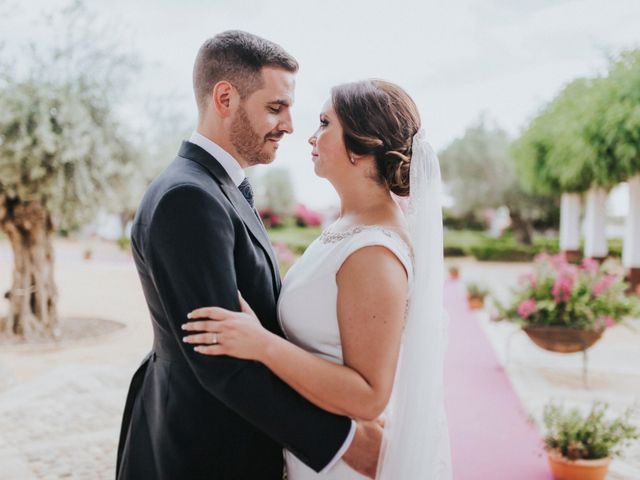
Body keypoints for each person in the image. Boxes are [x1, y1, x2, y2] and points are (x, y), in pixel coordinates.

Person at [116, 31, 382, 480]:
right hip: (203, 447)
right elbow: (219, 360)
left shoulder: (221, 185)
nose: (291, 126)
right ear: (225, 98)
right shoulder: (189, 197)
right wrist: (343, 443)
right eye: (275, 108)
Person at [183, 79, 452, 479]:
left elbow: (369, 396)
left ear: (361, 147)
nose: (310, 135)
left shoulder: (374, 252)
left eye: (326, 123)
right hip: (312, 449)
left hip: (342, 462)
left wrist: (262, 345)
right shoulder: (348, 226)